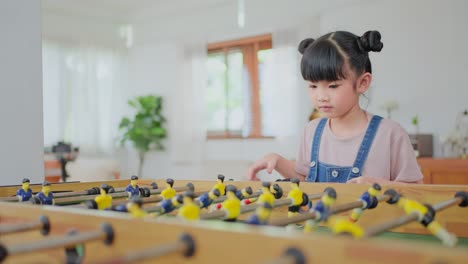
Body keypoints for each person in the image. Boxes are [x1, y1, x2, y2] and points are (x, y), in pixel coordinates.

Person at [248, 30, 423, 184]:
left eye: (333, 86)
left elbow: (417, 192)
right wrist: (278, 161)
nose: (321, 97)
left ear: (362, 83)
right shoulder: (311, 131)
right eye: (313, 86)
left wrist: (379, 185)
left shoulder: (390, 134)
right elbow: (306, 182)